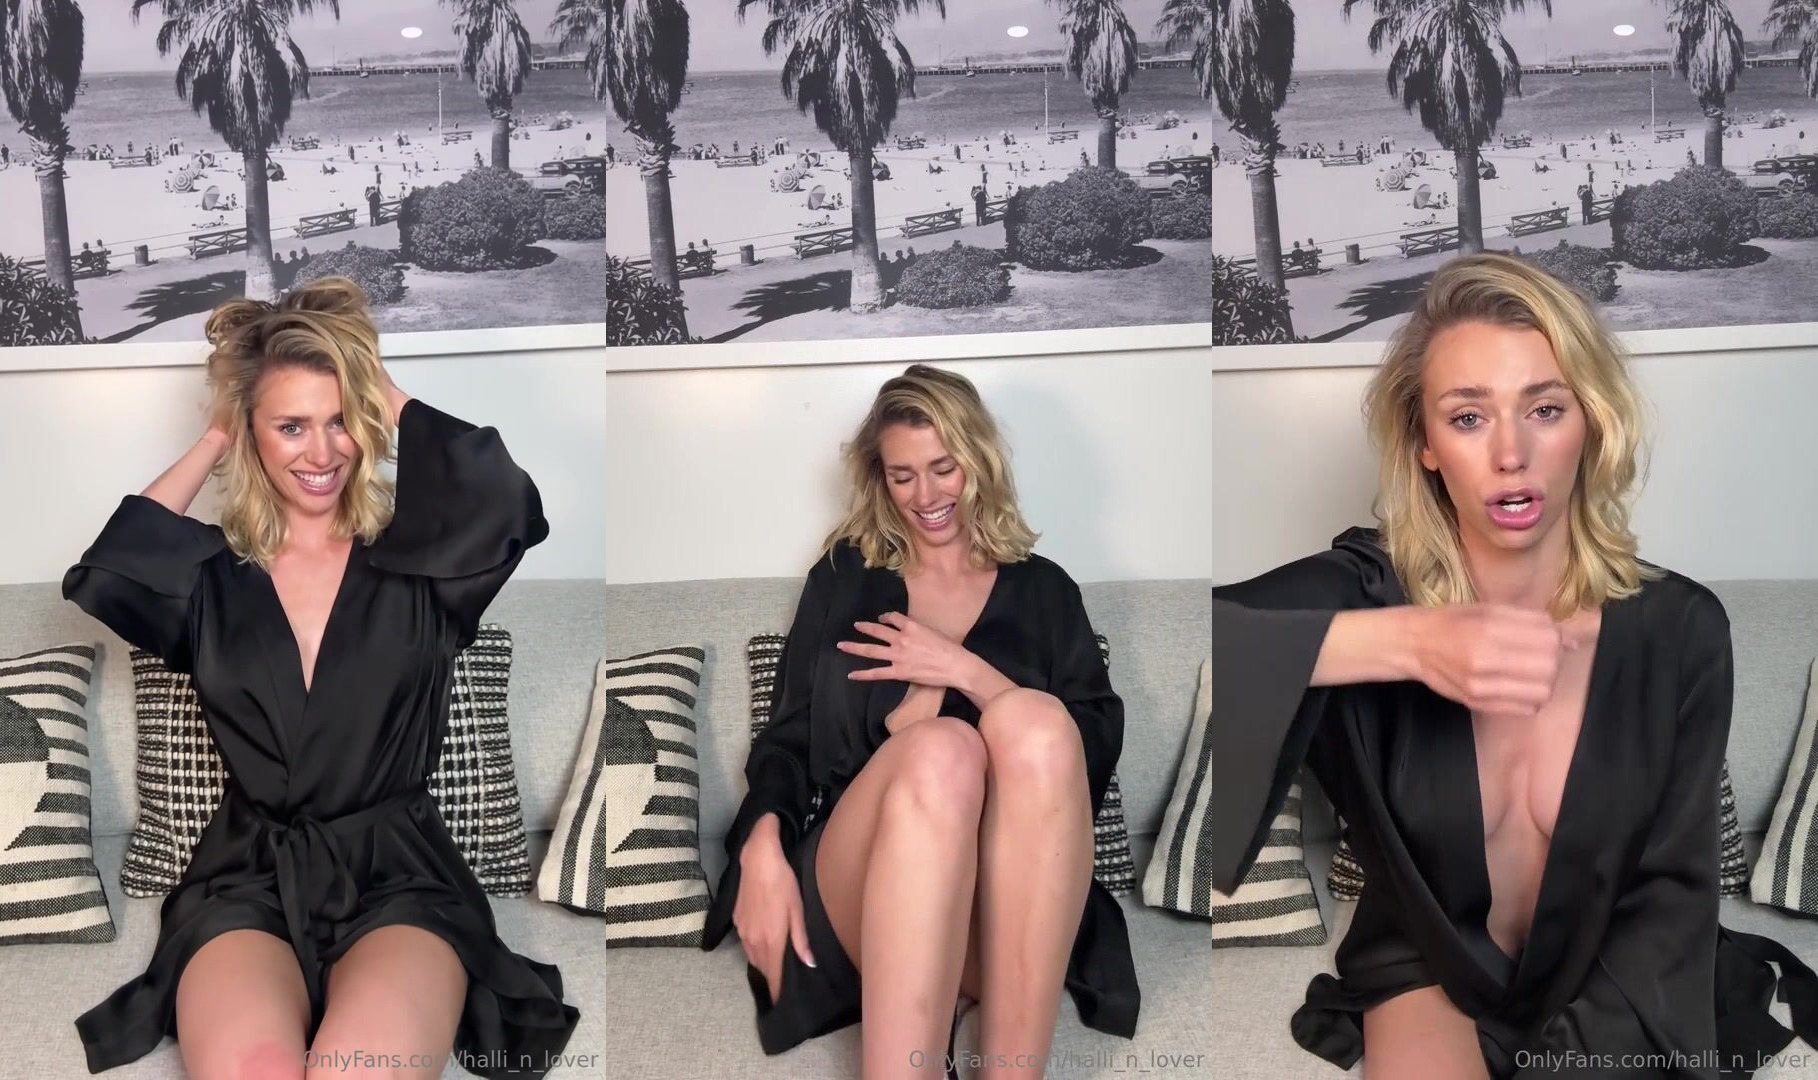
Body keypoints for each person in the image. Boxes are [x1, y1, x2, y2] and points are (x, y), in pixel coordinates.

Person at [1211, 254, 1818, 1079]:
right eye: (1468, 417)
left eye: (1545, 408)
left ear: (1592, 421)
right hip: (1426, 960)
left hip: (1620, 959)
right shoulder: (1363, 590)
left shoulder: (1681, 629)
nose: (1510, 453)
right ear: (1424, 443)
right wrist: (1409, 643)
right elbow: (1223, 635)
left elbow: (1670, 890)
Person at [64, 279, 580, 1077]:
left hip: (400, 877)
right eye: (291, 425)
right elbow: (107, 572)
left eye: (341, 420)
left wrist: (379, 387)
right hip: (247, 877)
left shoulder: (425, 563)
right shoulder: (208, 579)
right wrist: (217, 434)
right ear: (252, 432)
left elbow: (507, 501)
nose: (323, 451)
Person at [702, 365, 1138, 1078]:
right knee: (942, 750)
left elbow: (1083, 763)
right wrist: (761, 846)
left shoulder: (1047, 591)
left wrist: (965, 672)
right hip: (862, 886)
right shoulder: (844, 577)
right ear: (880, 477)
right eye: (902, 476)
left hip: (1009, 913)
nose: (926, 497)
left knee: (1035, 723)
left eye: (943, 469)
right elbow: (786, 739)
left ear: (979, 459)